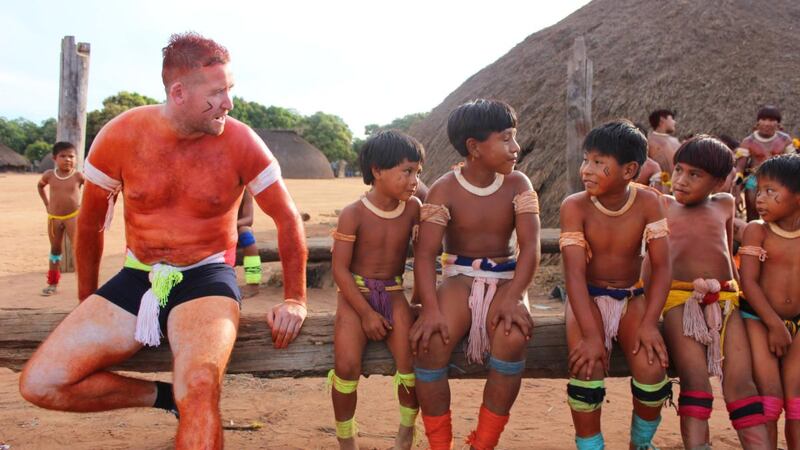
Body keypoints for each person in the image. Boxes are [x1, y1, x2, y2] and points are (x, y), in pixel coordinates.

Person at [18, 32, 308, 450]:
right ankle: (163, 397)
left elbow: (287, 219)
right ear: (178, 93)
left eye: (230, 89)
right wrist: (87, 298)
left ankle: (187, 400)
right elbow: (92, 225)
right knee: (41, 382)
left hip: (206, 277)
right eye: (217, 92)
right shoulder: (121, 135)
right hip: (138, 276)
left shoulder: (242, 141)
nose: (228, 102)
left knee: (200, 385)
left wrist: (295, 298)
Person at [411, 99, 540, 450]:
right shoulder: (445, 189)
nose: (516, 147)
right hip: (460, 277)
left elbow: (530, 248)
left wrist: (515, 296)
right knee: (430, 344)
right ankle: (440, 444)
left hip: (508, 278)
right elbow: (425, 255)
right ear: (474, 147)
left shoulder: (518, 183)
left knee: (512, 337)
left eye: (514, 137)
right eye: (506, 138)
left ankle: (483, 443)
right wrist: (431, 309)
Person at [559, 120, 672, 450]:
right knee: (587, 371)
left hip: (631, 297)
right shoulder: (574, 206)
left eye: (599, 162)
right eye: (586, 160)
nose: (587, 170)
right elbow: (574, 275)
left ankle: (641, 442)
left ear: (629, 170)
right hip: (587, 298)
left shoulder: (650, 202)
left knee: (653, 372)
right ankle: (591, 446)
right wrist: (591, 335)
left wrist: (649, 323)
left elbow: (663, 267)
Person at [654, 136, 768, 448]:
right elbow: (654, 262)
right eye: (679, 170)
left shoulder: (725, 204)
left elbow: (727, 252)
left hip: (727, 298)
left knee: (741, 383)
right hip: (680, 301)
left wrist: (744, 297)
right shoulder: (662, 206)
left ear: (718, 182)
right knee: (695, 382)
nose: (681, 180)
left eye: (695, 174)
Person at [328, 130, 424, 450]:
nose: (414, 180)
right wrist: (366, 314)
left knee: (410, 365)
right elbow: (340, 269)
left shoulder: (413, 208)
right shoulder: (353, 213)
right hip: (355, 296)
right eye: (406, 171)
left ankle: (406, 430)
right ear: (377, 171)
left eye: (418, 172)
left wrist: (417, 302)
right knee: (346, 367)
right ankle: (346, 438)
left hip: (394, 293)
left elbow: (422, 258)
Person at [738, 154, 800, 449]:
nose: (760, 198)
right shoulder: (757, 230)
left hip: (797, 322)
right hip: (759, 319)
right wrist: (774, 324)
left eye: (770, 191)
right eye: (759, 190)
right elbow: (748, 282)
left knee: (797, 399)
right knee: (770, 397)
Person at [37, 141, 84, 296]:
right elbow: (40, 186)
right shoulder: (49, 175)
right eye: (62, 156)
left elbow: (92, 189)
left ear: (76, 158)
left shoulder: (78, 176)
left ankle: (84, 284)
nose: (67, 159)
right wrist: (47, 204)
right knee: (55, 250)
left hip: (73, 217)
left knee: (79, 249)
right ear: (54, 158)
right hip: (54, 218)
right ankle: (52, 283)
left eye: (71, 156)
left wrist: (85, 207)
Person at [734, 106, 795, 221]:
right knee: (752, 202)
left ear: (778, 123)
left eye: (771, 120)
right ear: (758, 122)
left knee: (780, 211)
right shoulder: (748, 142)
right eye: (764, 119)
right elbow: (739, 170)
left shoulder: (785, 140)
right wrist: (737, 194)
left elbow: (794, 164)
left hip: (779, 178)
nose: (767, 123)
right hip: (754, 178)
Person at [647, 109, 681, 193]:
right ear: (662, 120)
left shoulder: (676, 141)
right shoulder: (649, 142)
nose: (674, 122)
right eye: (671, 119)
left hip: (679, 189)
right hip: (659, 190)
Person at [236, 190, 262, 298]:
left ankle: (253, 283)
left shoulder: (245, 190)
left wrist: (229, 225)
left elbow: (249, 219)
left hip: (234, 230)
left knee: (246, 233)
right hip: (213, 232)